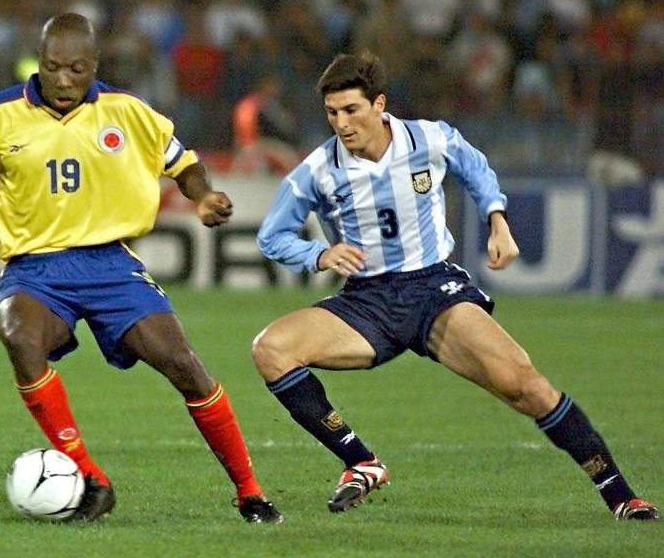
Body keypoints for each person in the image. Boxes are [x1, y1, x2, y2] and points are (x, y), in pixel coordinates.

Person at [253, 51, 659, 521]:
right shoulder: (318, 170)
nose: (341, 124)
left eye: (351, 111)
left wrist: (497, 220)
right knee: (271, 349)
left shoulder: (430, 138)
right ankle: (361, 461)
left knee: (524, 385)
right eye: (331, 113)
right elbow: (272, 236)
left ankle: (621, 496)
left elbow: (477, 171)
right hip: (365, 302)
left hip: (433, 290)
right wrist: (318, 255)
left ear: (379, 104)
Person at [0, 13, 282, 525]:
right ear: (38, 62)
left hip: (110, 263)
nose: (64, 79)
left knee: (184, 365)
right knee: (19, 336)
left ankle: (250, 492)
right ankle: (90, 478)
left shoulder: (128, 111)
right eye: (52, 67)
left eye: (77, 68)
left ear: (95, 65)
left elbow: (183, 162)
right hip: (34, 268)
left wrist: (204, 197)